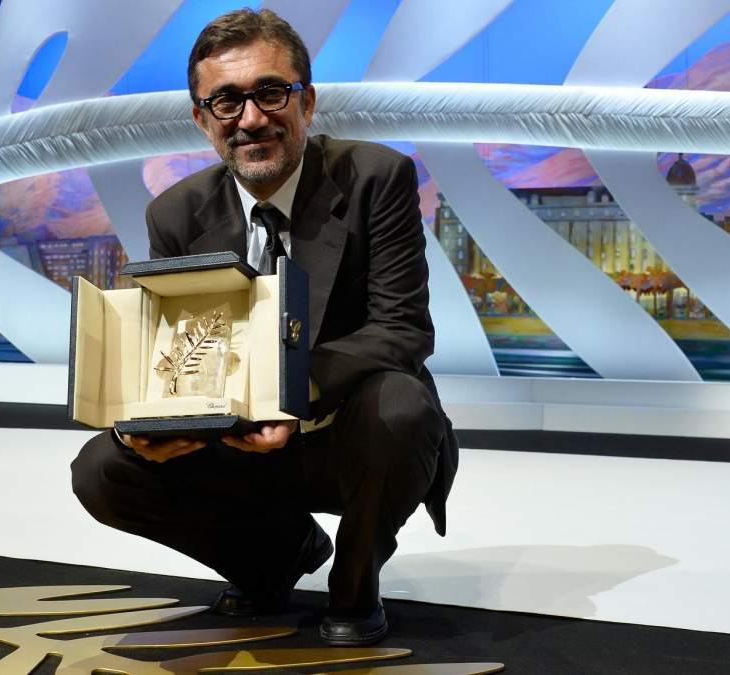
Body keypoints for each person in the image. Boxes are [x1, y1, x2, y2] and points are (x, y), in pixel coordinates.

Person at [71, 8, 458, 646]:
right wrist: (145, 423)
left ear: (307, 101)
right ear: (202, 120)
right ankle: (273, 560)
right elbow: (173, 350)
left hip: (348, 434)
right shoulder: (174, 213)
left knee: (401, 404)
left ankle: (355, 583)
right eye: (226, 101)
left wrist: (288, 393)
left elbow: (403, 330)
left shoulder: (376, 177)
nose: (251, 119)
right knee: (102, 468)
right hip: (235, 442)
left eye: (270, 93)